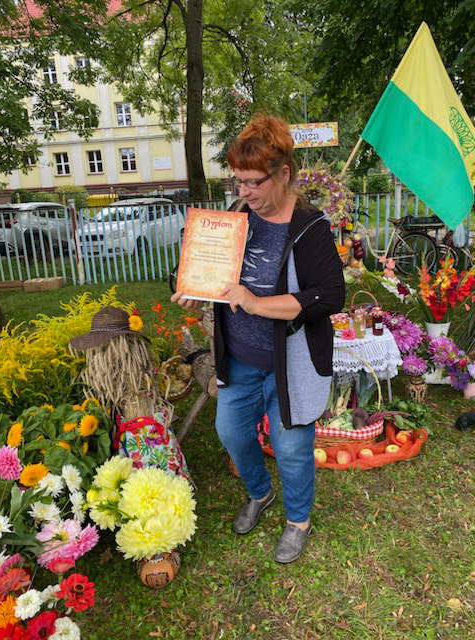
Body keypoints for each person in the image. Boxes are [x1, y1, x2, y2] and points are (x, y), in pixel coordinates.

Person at [172, 114, 345, 563]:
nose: (244, 191)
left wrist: (256, 303)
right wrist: (193, 289)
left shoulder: (310, 227)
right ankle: (260, 492)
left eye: (253, 182)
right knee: (231, 433)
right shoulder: (233, 220)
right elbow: (211, 273)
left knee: (291, 448)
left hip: (292, 365)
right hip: (240, 359)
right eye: (238, 181)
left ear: (283, 173)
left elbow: (329, 296)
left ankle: (298, 521)